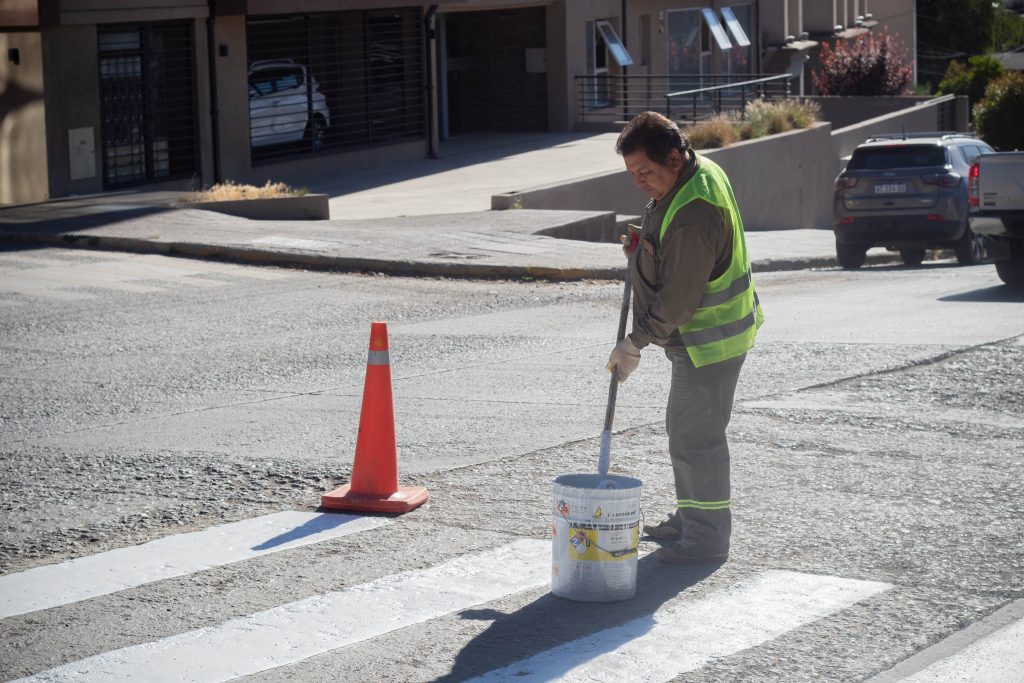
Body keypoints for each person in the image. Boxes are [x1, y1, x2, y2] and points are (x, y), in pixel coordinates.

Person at [606, 111, 763, 564]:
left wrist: (634, 342)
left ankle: (707, 537)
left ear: (674, 157)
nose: (638, 182)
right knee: (687, 431)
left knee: (697, 439)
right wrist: (645, 246)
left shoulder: (695, 210)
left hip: (709, 343)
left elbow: (678, 300)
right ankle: (692, 515)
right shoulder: (694, 172)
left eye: (645, 172)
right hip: (703, 339)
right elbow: (671, 241)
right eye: (632, 173)